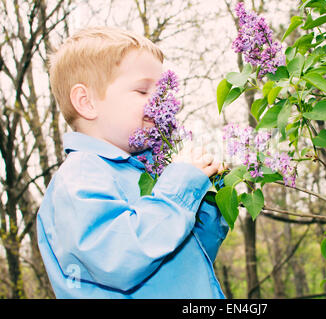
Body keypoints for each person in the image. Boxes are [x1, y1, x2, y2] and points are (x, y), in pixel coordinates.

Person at [36, 26, 229, 298]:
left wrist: (207, 204)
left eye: (162, 91)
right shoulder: (81, 175)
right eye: (142, 91)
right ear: (86, 102)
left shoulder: (148, 171)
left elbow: (187, 262)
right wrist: (178, 192)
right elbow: (118, 258)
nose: (162, 102)